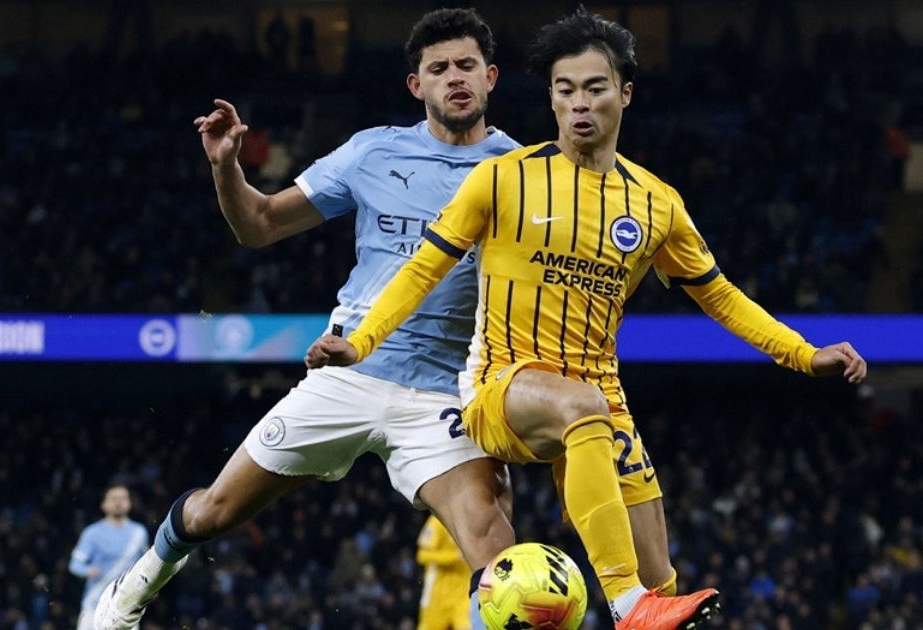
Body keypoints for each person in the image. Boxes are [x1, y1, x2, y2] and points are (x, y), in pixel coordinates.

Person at [305, 8, 868, 629]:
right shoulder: (503, 178)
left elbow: (722, 298)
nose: (579, 103)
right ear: (550, 98)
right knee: (586, 420)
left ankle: (645, 600)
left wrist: (804, 354)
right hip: (501, 388)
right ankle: (626, 603)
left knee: (664, 581)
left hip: (600, 399)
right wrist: (361, 342)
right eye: (564, 89)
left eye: (594, 88)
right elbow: (421, 270)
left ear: (624, 94)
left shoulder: (656, 204)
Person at [94, 9, 520, 629]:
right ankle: (129, 593)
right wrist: (226, 167)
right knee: (214, 513)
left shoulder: (523, 172)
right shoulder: (373, 151)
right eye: (438, 69)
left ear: (490, 77)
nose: (454, 77)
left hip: (444, 393)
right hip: (347, 375)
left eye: (465, 65)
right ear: (416, 85)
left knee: (497, 551)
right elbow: (260, 224)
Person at [69, 485, 148, 630]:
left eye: (123, 498)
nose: (118, 502)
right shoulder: (91, 533)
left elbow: (147, 565)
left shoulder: (139, 533)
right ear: (103, 505)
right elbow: (74, 565)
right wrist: (89, 570)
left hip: (126, 609)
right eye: (113, 499)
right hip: (94, 604)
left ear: (130, 503)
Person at [416, 514, 471, 630]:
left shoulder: (473, 520)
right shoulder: (437, 520)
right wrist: (453, 557)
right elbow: (422, 555)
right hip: (437, 594)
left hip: (463, 592)